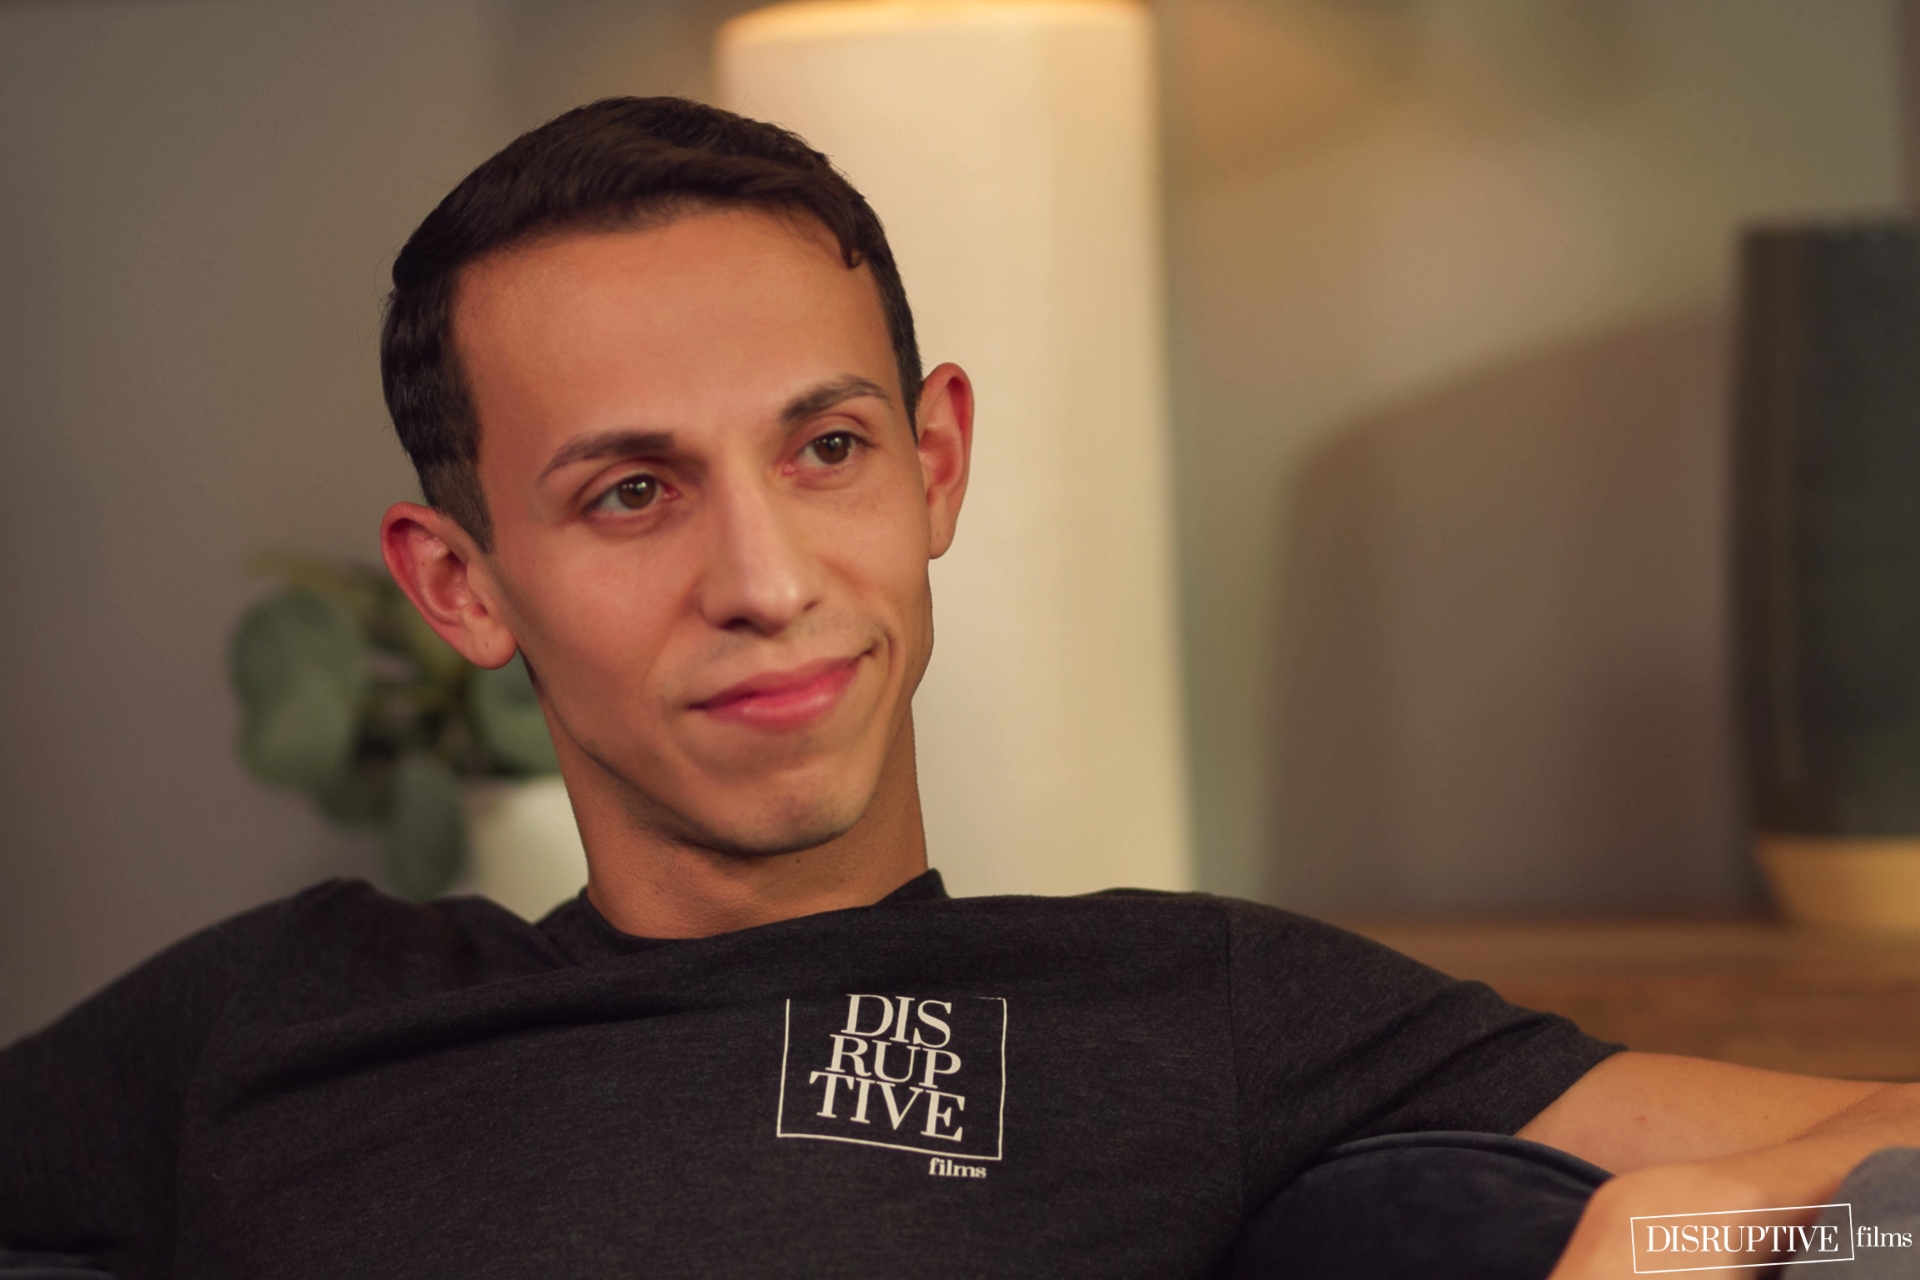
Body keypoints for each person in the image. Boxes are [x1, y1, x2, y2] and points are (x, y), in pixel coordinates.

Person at [1, 96, 1914, 1280]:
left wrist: (1693, 1230)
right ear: (462, 584)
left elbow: (1887, 1156)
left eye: (826, 450)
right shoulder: (277, 1017)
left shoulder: (1181, 1007)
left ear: (936, 469)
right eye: (633, 493)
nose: (766, 584)